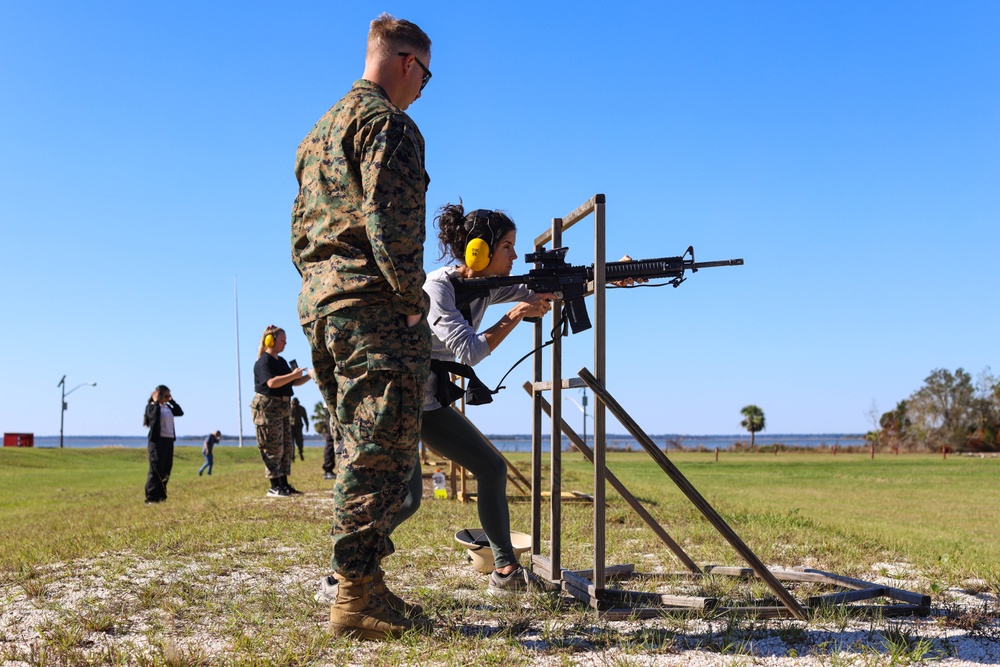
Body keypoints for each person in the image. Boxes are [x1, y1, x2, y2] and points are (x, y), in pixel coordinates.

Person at [292, 13, 433, 641]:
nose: (425, 88)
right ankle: (353, 596)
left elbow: (301, 232)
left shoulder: (319, 132)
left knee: (358, 446)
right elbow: (392, 223)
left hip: (324, 305)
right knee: (379, 453)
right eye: (427, 75)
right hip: (373, 308)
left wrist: (323, 289)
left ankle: (367, 586)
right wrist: (409, 297)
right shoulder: (389, 124)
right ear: (407, 63)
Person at [251, 325, 312, 498]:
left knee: (285, 447)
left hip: (283, 408)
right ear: (271, 341)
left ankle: (283, 484)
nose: (285, 343)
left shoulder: (281, 361)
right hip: (268, 408)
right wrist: (293, 375)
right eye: (282, 340)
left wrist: (310, 376)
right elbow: (271, 383)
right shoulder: (264, 361)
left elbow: (293, 382)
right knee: (272, 447)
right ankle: (274, 486)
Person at [143, 385, 183, 504]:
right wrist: (155, 402)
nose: (167, 398)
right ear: (158, 395)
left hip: (168, 440)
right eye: (166, 395)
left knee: (166, 469)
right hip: (157, 442)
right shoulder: (151, 407)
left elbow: (180, 412)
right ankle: (151, 497)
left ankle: (161, 496)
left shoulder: (168, 407)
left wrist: (171, 401)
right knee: (156, 470)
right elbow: (154, 419)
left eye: (169, 396)